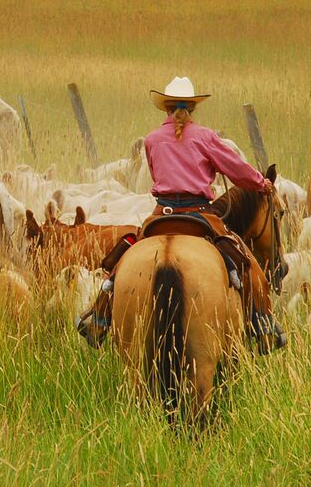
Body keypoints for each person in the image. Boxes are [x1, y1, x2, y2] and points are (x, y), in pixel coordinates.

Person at [77, 76, 286, 352]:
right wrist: (262, 183)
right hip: (200, 213)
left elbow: (155, 173)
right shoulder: (206, 137)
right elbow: (236, 169)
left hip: (161, 213)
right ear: (193, 109)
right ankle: (263, 325)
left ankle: (100, 315)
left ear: (165, 109)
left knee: (124, 258)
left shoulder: (151, 140)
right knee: (246, 264)